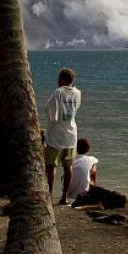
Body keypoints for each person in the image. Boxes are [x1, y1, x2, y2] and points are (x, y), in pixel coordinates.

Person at [44, 67, 81, 204]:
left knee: (50, 166)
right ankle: (64, 197)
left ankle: (49, 194)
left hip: (56, 135)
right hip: (71, 134)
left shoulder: (58, 92)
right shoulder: (78, 93)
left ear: (62, 79)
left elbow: (50, 111)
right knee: (67, 167)